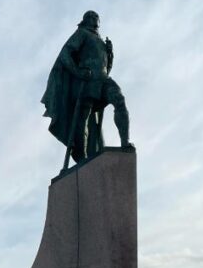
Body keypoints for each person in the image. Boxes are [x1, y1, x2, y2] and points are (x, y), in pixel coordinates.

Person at [42, 10, 134, 165]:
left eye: (96, 17)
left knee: (119, 100)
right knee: (83, 117)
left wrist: (110, 55)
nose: (94, 19)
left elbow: (106, 68)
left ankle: (125, 142)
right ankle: (82, 156)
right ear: (85, 20)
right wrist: (78, 72)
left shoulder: (101, 41)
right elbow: (65, 54)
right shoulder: (82, 33)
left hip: (103, 79)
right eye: (90, 17)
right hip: (88, 81)